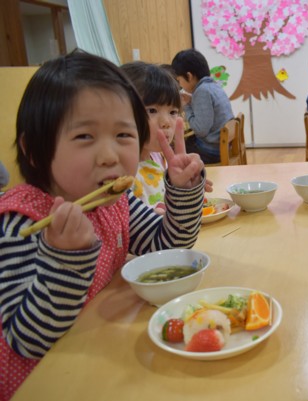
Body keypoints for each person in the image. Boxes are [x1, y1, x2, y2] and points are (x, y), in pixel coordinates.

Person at [0, 50, 207, 401]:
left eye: (124, 135)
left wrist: (183, 192)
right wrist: (64, 259)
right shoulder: (21, 220)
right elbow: (29, 339)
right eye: (85, 137)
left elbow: (167, 246)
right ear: (34, 150)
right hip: (42, 382)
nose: (111, 156)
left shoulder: (114, 201)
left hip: (101, 354)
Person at [121, 61, 181, 213]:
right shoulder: (122, 174)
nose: (166, 122)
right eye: (152, 110)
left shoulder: (159, 157)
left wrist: (187, 189)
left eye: (173, 112)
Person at [171, 49, 234, 164]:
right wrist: (191, 101)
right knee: (185, 142)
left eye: (179, 80)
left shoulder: (202, 91)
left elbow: (200, 131)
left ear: (189, 76)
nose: (180, 85)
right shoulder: (214, 86)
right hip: (222, 145)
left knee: (175, 148)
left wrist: (186, 106)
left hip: (212, 151)